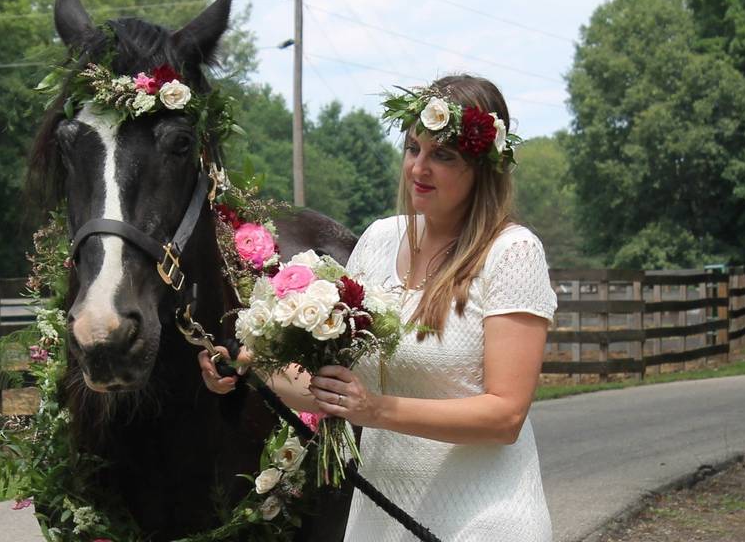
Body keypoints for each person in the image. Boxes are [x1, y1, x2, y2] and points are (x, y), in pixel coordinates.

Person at [200, 74, 557, 541]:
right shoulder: (379, 240)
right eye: (413, 149)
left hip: (484, 519)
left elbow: (504, 416)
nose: (418, 168)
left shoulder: (512, 253)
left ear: (483, 168)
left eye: (442, 155)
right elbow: (333, 392)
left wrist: (375, 410)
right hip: (380, 521)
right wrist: (247, 367)